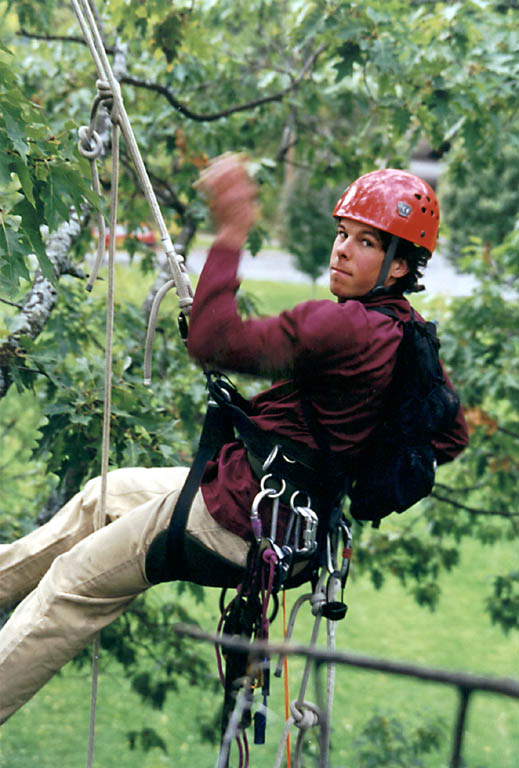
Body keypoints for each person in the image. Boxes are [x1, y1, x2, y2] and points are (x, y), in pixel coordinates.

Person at [0, 156, 469, 724]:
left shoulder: (344, 328)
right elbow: (450, 433)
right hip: (281, 521)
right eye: (342, 234)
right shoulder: (410, 339)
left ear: (398, 267)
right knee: (104, 494)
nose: (342, 249)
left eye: (367, 242)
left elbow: (214, 341)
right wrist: (350, 443)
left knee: (74, 586)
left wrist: (230, 232)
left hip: (236, 518)